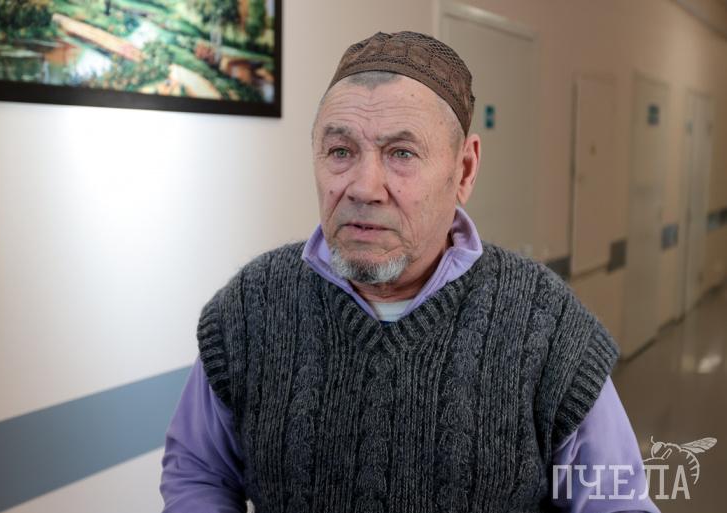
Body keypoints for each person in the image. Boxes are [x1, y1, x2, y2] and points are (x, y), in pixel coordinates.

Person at [160, 31, 659, 513]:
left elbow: (616, 503)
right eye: (341, 151)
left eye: (402, 153)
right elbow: (199, 473)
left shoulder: (546, 327)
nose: (364, 187)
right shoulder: (251, 309)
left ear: (464, 170)